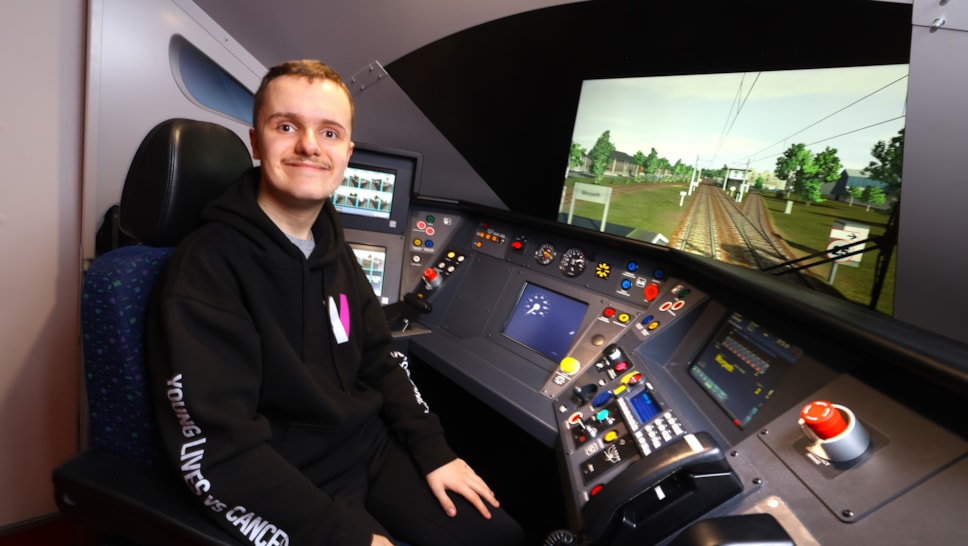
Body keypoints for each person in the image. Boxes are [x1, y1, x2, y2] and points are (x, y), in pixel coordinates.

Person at [146, 60, 528, 546]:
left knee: (501, 538)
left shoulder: (330, 243)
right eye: (287, 126)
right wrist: (347, 538)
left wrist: (433, 450)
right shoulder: (205, 270)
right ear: (255, 142)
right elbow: (222, 450)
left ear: (346, 152)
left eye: (329, 132)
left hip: (365, 449)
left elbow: (378, 358)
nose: (309, 145)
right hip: (283, 476)